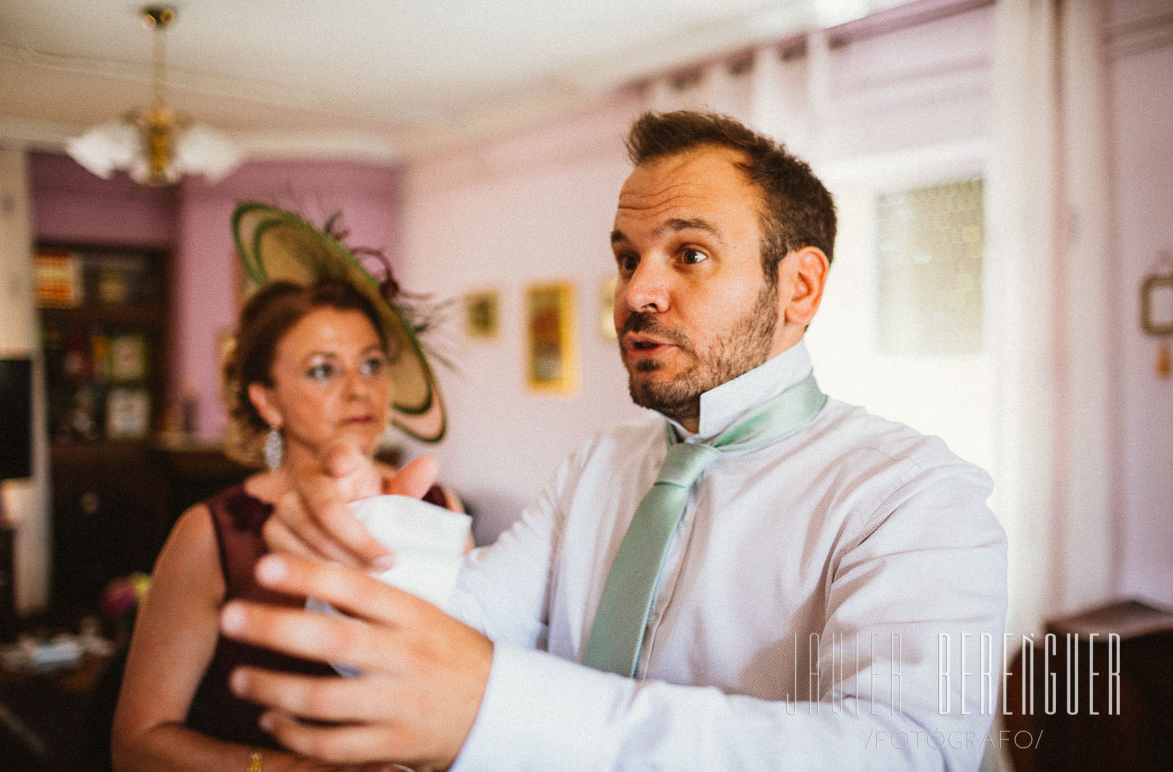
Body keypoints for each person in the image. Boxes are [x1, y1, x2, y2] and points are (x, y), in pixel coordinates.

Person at [219, 111, 1008, 770]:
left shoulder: (914, 498)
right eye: (627, 258)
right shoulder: (596, 469)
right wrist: (367, 546)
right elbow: (461, 631)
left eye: (688, 254)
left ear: (797, 287)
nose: (635, 293)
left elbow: (907, 753)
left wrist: (501, 706)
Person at [110, 204, 463, 772]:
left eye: (371, 364)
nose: (359, 389)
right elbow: (137, 745)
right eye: (324, 369)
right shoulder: (215, 532)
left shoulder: (439, 507)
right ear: (267, 399)